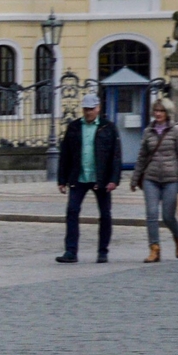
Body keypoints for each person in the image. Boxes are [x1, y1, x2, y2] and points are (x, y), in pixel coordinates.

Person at [53, 92, 122, 264]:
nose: (88, 112)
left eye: (91, 109)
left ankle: (103, 251)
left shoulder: (108, 127)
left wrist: (114, 179)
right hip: (79, 176)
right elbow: (65, 154)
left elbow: (116, 155)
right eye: (85, 109)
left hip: (102, 177)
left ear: (98, 109)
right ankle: (71, 251)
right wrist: (62, 180)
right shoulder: (74, 127)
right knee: (72, 211)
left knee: (105, 214)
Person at [132, 97, 178, 261]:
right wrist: (135, 178)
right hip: (150, 178)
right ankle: (154, 248)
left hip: (172, 179)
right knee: (151, 214)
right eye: (156, 111)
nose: (158, 114)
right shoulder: (148, 131)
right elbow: (142, 157)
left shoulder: (176, 130)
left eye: (161, 111)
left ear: (168, 112)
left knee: (168, 216)